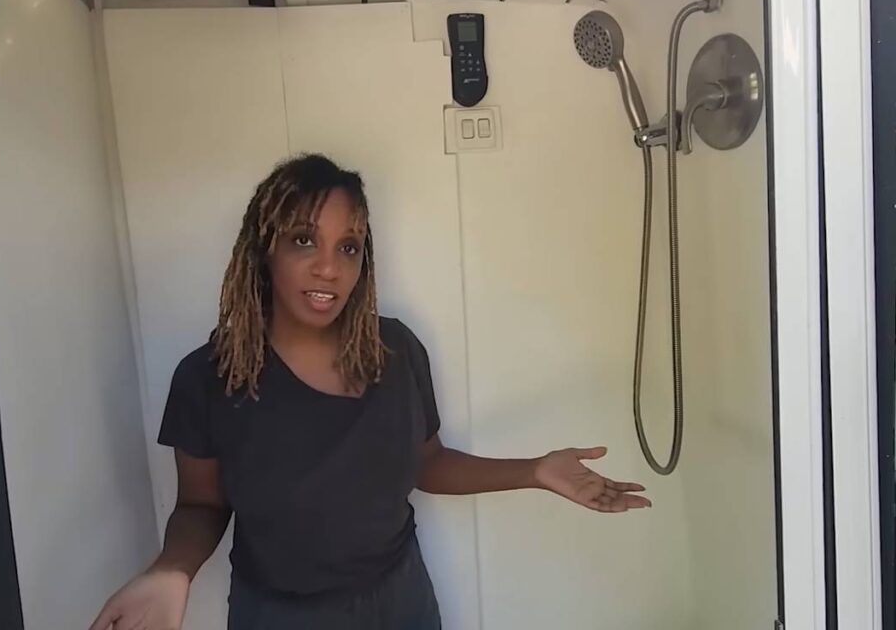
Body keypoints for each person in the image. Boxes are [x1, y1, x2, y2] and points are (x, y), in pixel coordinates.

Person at [89, 154, 651, 630]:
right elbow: (200, 505)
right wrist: (172, 570)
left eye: (349, 247)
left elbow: (427, 465)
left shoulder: (395, 351)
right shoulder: (209, 377)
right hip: (279, 614)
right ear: (264, 248)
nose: (329, 267)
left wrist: (534, 470)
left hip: (400, 599)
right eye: (304, 240)